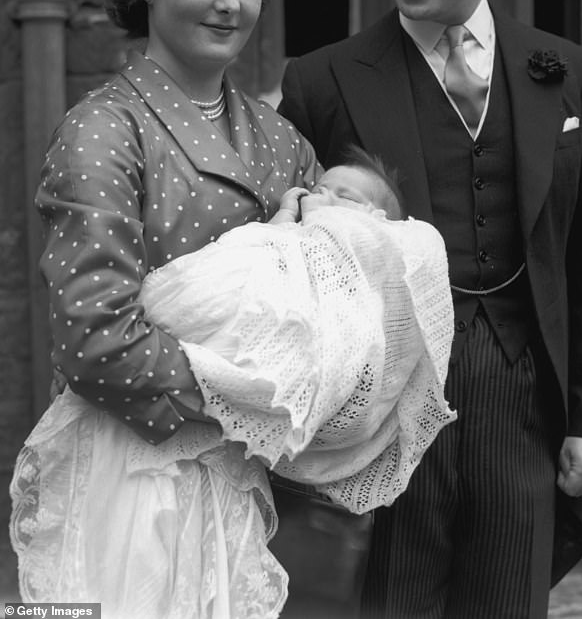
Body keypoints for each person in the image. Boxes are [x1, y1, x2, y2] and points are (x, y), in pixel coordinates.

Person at [278, 0, 582, 619]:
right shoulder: (322, 79)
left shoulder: (562, 71)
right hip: (390, 416)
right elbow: (293, 275)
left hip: (524, 404)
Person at [10, 0, 324, 619]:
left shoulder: (282, 145)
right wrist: (251, 397)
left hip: (243, 483)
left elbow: (327, 301)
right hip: (127, 478)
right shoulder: (104, 131)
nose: (229, 3)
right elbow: (94, 340)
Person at [11, 141, 457, 617]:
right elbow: (252, 261)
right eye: (316, 189)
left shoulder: (363, 258)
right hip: (155, 370)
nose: (316, 199)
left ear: (375, 222)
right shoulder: (288, 231)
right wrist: (284, 218)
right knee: (105, 574)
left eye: (341, 196)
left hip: (203, 403)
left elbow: (347, 337)